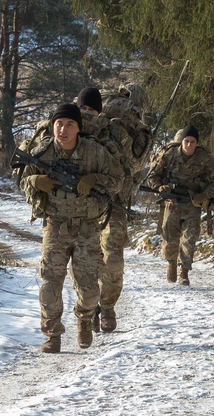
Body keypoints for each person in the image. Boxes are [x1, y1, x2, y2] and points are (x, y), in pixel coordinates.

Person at [17, 103, 121, 353]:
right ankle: (52, 334)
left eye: (70, 124)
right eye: (59, 124)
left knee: (88, 289)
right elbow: (23, 180)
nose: (63, 129)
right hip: (55, 225)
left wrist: (94, 179)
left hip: (87, 227)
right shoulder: (42, 152)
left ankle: (84, 319)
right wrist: (35, 180)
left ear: (78, 128)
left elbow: (118, 182)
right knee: (50, 283)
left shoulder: (95, 152)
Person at [75, 86, 144, 333]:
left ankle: (108, 306)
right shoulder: (65, 126)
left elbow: (132, 164)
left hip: (112, 202)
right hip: (77, 206)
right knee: (83, 262)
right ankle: (89, 307)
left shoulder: (113, 130)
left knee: (112, 259)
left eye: (91, 109)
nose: (86, 114)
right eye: (82, 108)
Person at [146, 125, 214, 286]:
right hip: (172, 202)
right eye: (186, 141)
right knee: (169, 237)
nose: (189, 145)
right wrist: (161, 188)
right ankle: (171, 264)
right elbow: (152, 177)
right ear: (182, 141)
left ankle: (184, 271)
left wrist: (204, 195)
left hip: (192, 202)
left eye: (193, 142)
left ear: (197, 143)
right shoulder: (168, 155)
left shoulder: (204, 158)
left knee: (190, 237)